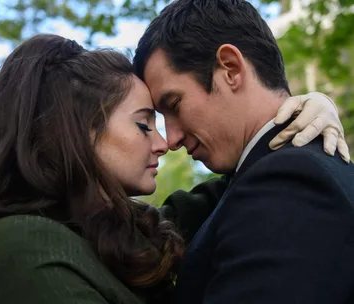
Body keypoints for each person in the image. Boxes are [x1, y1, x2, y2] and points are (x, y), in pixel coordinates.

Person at [0, 34, 348, 304]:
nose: (164, 142)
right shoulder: (25, 245)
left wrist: (305, 110)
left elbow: (250, 182)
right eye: (144, 124)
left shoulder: (123, 232)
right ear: (74, 131)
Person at [133, 0, 354, 303]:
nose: (171, 139)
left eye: (174, 105)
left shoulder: (287, 183)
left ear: (231, 69)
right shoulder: (262, 178)